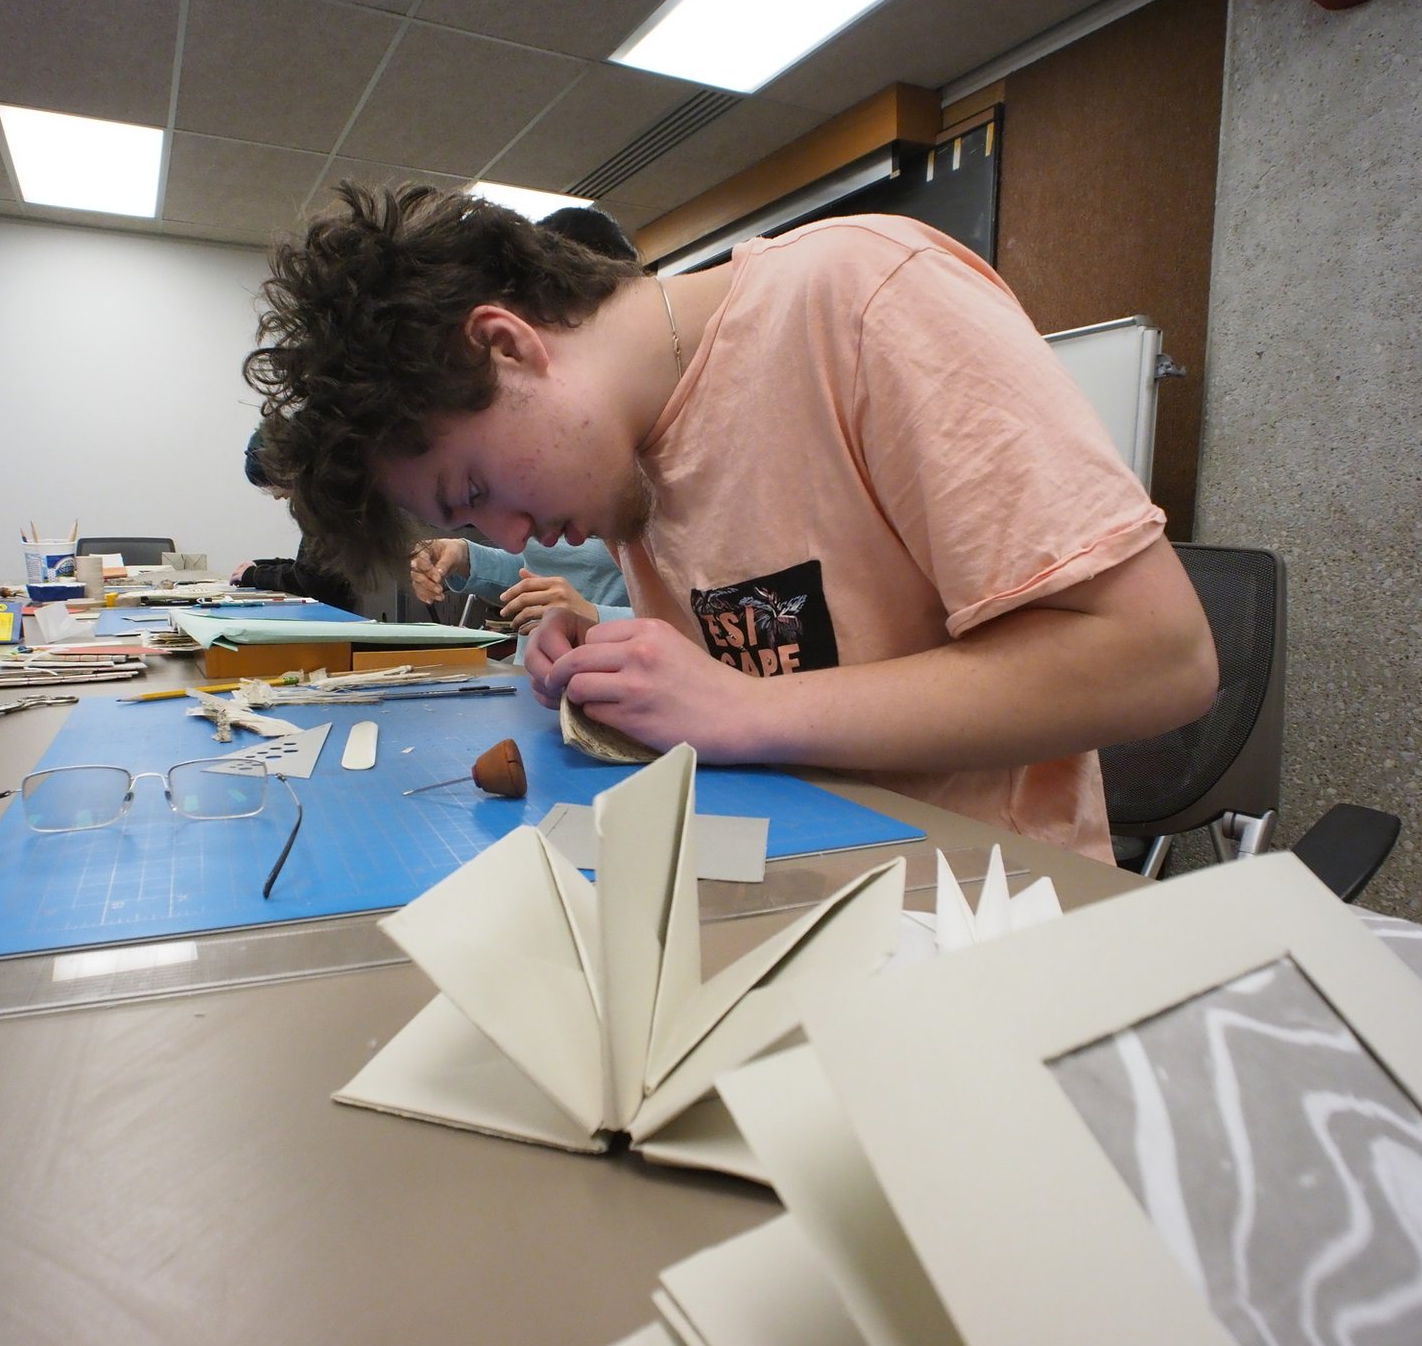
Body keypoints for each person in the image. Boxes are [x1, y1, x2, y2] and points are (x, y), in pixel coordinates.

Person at [244, 184, 1217, 860]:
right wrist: (629, 656)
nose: (504, 536)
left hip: (973, 909)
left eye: (469, 492)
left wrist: (742, 711)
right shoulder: (626, 453)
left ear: (507, 345)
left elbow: (1158, 656)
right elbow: (797, 645)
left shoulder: (864, 300)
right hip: (789, 873)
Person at [229, 431, 360, 612]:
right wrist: (259, 567)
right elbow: (310, 568)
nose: (276, 496)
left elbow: (311, 581)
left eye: (271, 486)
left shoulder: (324, 504)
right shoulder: (333, 493)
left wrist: (254, 574)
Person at [408, 534, 630, 635]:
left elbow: (665, 618)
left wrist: (594, 616)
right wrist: (464, 556)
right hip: (529, 677)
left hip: (613, 680)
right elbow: (534, 571)